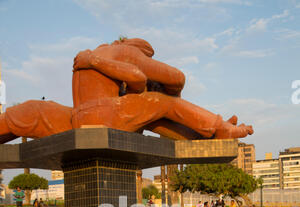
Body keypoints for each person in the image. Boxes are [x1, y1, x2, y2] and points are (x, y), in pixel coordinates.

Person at [0, 39, 253, 145]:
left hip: (77, 119)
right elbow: (175, 77)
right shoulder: (126, 52)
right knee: (161, 103)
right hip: (105, 116)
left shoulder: (93, 54)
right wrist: (156, 90)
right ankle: (220, 128)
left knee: (30, 111)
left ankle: (201, 137)